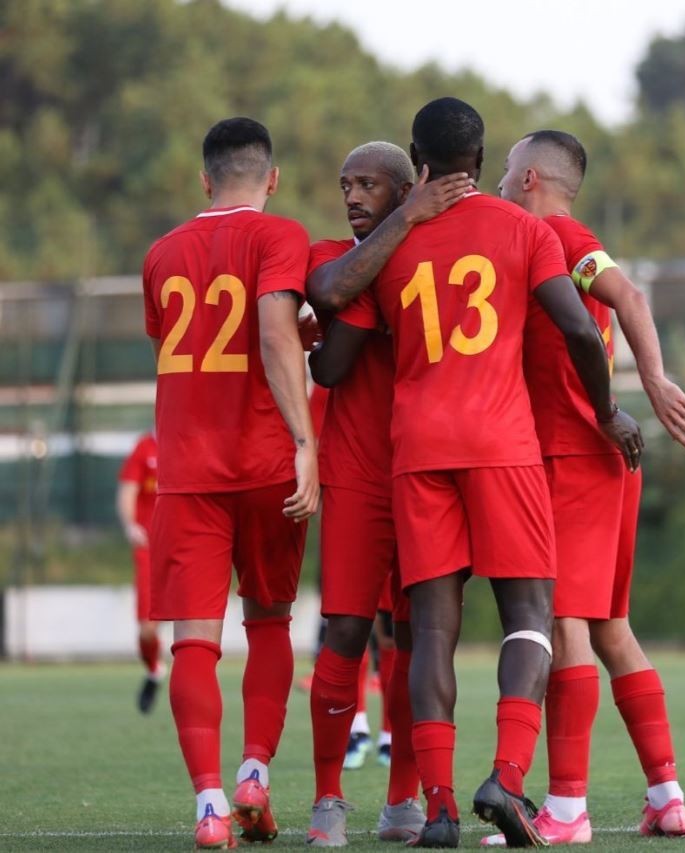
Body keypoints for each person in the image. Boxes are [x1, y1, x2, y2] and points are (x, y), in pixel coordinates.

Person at [310, 98, 642, 849]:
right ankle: (508, 777)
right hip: (502, 444)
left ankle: (437, 807)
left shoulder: (393, 241)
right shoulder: (523, 229)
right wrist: (606, 409)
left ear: (416, 162)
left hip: (417, 450)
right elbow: (579, 327)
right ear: (483, 160)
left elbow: (330, 359)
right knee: (530, 613)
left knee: (430, 628)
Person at [482, 129, 685, 844]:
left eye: (507, 169)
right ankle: (666, 796)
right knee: (611, 629)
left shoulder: (555, 232)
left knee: (563, 624)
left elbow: (628, 294)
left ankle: (567, 810)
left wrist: (654, 380)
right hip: (599, 460)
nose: (498, 180)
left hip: (572, 456)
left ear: (529, 178)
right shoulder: (540, 241)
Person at [142, 116, 319, 850]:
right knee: (269, 621)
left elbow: (178, 341)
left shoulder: (160, 254)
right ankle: (254, 773)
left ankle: (211, 806)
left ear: (204, 179)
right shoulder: (281, 236)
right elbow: (273, 333)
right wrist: (306, 441)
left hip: (188, 470)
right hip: (266, 463)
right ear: (271, 178)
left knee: (193, 642)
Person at [305, 140, 472, 846]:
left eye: (368, 184)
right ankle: (328, 797)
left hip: (426, 468)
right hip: (354, 470)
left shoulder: (432, 263)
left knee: (415, 636)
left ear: (407, 187)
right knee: (345, 629)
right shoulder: (329, 255)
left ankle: (404, 799)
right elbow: (328, 345)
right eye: (346, 183)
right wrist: (404, 221)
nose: (352, 195)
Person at [116, 430, 165, 713]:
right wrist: (130, 525)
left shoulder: (191, 441)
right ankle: (154, 669)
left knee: (196, 624)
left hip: (186, 546)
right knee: (147, 629)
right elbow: (127, 491)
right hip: (149, 548)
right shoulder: (144, 449)